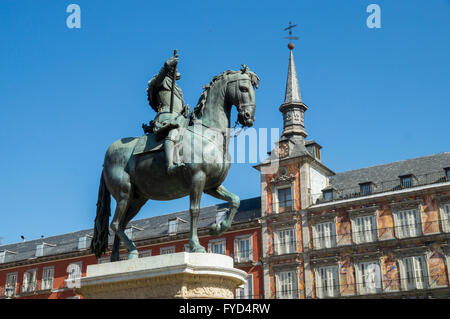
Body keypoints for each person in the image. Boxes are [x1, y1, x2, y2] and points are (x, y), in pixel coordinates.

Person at [145, 56, 189, 174]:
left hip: (179, 117)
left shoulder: (177, 88)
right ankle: (170, 165)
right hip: (166, 116)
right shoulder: (161, 81)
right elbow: (157, 81)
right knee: (173, 131)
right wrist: (166, 66)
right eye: (173, 71)